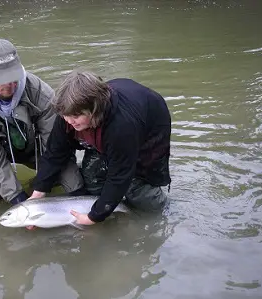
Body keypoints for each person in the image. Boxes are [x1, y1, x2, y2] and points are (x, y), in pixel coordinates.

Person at [29, 70, 172, 225]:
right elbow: (55, 153)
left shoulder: (121, 127)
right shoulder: (68, 113)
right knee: (92, 173)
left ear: (94, 110)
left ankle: (166, 210)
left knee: (135, 185)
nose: (70, 121)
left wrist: (93, 217)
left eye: (76, 117)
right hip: (112, 130)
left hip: (150, 128)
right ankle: (109, 204)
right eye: (66, 116)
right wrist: (39, 191)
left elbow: (120, 176)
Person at [0, 39, 83, 205]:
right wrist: (18, 199)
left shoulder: (41, 93)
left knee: (69, 181)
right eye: (2, 79)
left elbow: (56, 146)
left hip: (35, 148)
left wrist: (71, 191)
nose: (9, 85)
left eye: (13, 76)